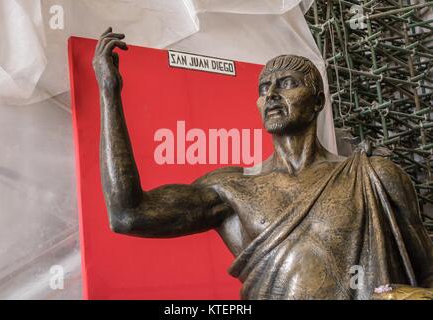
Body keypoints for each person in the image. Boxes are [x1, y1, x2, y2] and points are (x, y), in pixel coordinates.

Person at [92, 27, 433, 300]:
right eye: (263, 87)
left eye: (286, 84)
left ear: (317, 101)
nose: (270, 95)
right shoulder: (233, 188)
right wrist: (109, 95)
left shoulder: (374, 176)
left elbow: (427, 276)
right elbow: (128, 215)